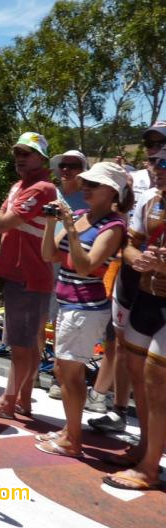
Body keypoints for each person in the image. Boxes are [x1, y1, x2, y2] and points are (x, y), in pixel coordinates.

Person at [35, 162, 129, 458]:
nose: (85, 186)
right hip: (68, 305)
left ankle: (73, 440)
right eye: (85, 182)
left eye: (93, 184)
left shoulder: (114, 226)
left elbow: (88, 267)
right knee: (64, 371)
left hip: (86, 308)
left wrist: (72, 230)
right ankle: (69, 430)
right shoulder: (78, 216)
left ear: (111, 192)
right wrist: (53, 223)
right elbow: (49, 254)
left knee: (71, 375)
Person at [0, 132, 56, 419]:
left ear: (42, 158)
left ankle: (8, 401)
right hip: (23, 274)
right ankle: (22, 400)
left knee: (20, 345)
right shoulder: (20, 185)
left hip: (27, 274)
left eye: (27, 153)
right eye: (18, 151)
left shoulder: (41, 188)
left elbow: (1, 221)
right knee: (27, 344)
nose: (20, 156)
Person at [90, 123, 162, 433]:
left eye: (160, 142)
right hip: (133, 276)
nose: (153, 149)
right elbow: (127, 228)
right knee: (122, 344)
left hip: (157, 283)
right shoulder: (141, 177)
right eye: (149, 142)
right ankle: (119, 408)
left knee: (154, 365)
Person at [102, 142, 166, 490]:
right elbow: (129, 243)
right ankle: (145, 448)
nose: (156, 166)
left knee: (157, 383)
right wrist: (134, 258)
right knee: (136, 373)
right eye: (154, 160)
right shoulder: (151, 199)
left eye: (164, 162)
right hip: (145, 296)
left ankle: (150, 469)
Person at [44, 149, 90, 401]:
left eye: (73, 165)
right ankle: (55, 374)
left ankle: (67, 378)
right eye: (63, 165)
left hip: (75, 265)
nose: (66, 169)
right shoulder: (51, 193)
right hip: (49, 262)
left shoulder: (88, 198)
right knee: (53, 321)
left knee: (71, 323)